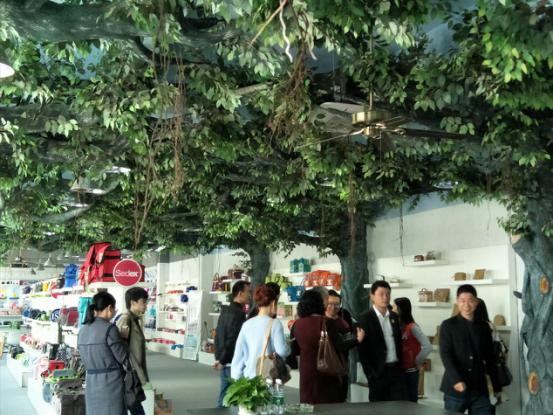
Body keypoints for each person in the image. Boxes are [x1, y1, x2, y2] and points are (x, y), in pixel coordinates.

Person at [290, 290, 365, 404]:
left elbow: (295, 350)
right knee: (329, 405)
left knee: (309, 405)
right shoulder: (327, 322)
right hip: (326, 370)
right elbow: (339, 346)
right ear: (319, 304)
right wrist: (357, 340)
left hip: (307, 372)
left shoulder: (297, 324)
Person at [440, 285, 500, 414]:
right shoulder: (448, 325)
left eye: (471, 300)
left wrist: (496, 385)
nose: (466, 305)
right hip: (455, 388)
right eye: (462, 301)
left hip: (480, 387)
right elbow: (446, 355)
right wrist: (456, 380)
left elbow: (490, 357)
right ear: (457, 301)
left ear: (476, 302)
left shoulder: (483, 326)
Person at [77, 292, 131, 415]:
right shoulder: (110, 329)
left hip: (91, 380)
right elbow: (123, 357)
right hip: (111, 382)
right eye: (114, 309)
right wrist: (124, 339)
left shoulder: (83, 330)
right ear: (109, 308)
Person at [357, 280, 405, 401]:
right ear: (372, 296)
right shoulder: (365, 318)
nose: (385, 297)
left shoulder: (394, 316)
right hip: (378, 372)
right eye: (381, 294)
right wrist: (371, 374)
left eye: (388, 294)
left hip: (395, 370)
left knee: (398, 406)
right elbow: (362, 350)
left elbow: (398, 343)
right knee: (378, 407)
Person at [231, 284, 290, 379]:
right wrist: (288, 347)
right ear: (273, 303)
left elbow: (239, 354)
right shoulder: (275, 323)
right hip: (268, 376)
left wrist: (236, 377)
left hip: (249, 377)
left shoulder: (246, 324)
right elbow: (282, 351)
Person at [213, 280, 251, 407]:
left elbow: (218, 335)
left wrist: (219, 358)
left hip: (224, 359)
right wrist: (222, 361)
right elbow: (233, 340)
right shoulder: (239, 314)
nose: (250, 295)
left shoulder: (225, 311)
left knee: (224, 396)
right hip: (232, 361)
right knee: (236, 399)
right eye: (248, 292)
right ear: (240, 293)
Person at [116, 287, 150, 415]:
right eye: (143, 302)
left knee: (133, 404)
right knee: (135, 405)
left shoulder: (135, 319)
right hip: (130, 372)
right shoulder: (126, 319)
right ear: (133, 302)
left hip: (133, 371)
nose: (145, 305)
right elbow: (117, 346)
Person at [393, 297, 432, 403]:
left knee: (410, 403)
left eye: (394, 307)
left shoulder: (412, 327)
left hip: (410, 373)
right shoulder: (397, 326)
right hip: (398, 371)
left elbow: (428, 346)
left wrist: (416, 361)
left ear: (400, 309)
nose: (392, 309)